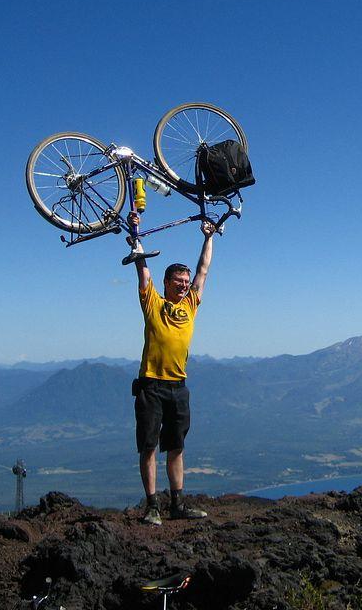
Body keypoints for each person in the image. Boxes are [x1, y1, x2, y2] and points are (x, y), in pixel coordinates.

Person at [127, 211, 215, 526]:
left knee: (176, 447)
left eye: (184, 282)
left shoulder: (190, 305)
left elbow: (204, 270)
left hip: (179, 386)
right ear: (166, 283)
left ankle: (177, 504)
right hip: (151, 385)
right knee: (149, 447)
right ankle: (152, 506)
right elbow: (142, 268)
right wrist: (135, 231)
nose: (183, 286)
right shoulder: (153, 302)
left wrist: (209, 237)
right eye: (177, 282)